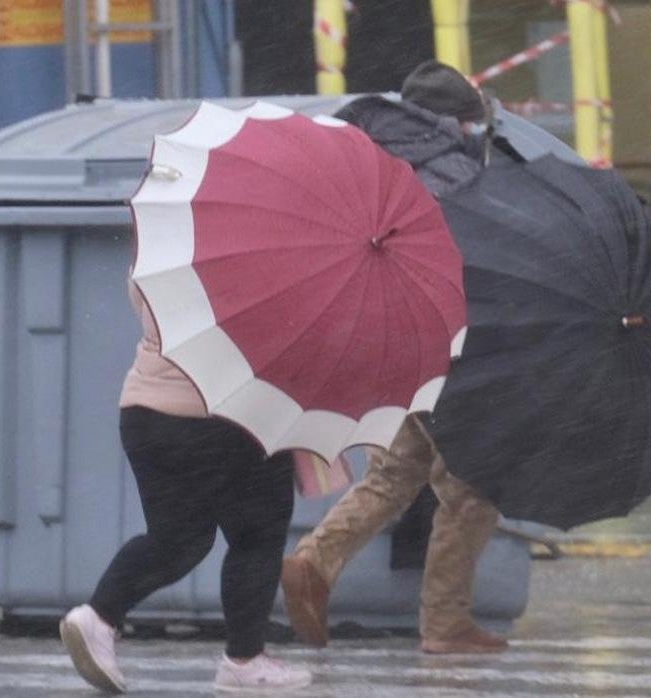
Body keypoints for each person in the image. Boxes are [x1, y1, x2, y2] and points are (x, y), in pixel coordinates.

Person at [280, 60, 509, 655]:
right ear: (457, 122)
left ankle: (314, 560)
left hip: (391, 340)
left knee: (399, 470)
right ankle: (445, 623)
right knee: (473, 484)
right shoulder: (453, 171)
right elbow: (473, 260)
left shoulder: (368, 155)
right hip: (446, 341)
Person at [58, 278, 312, 694]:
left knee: (178, 539)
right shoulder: (267, 261)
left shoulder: (181, 237)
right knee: (257, 534)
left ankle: (98, 617)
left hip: (146, 412)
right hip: (226, 415)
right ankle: (244, 660)